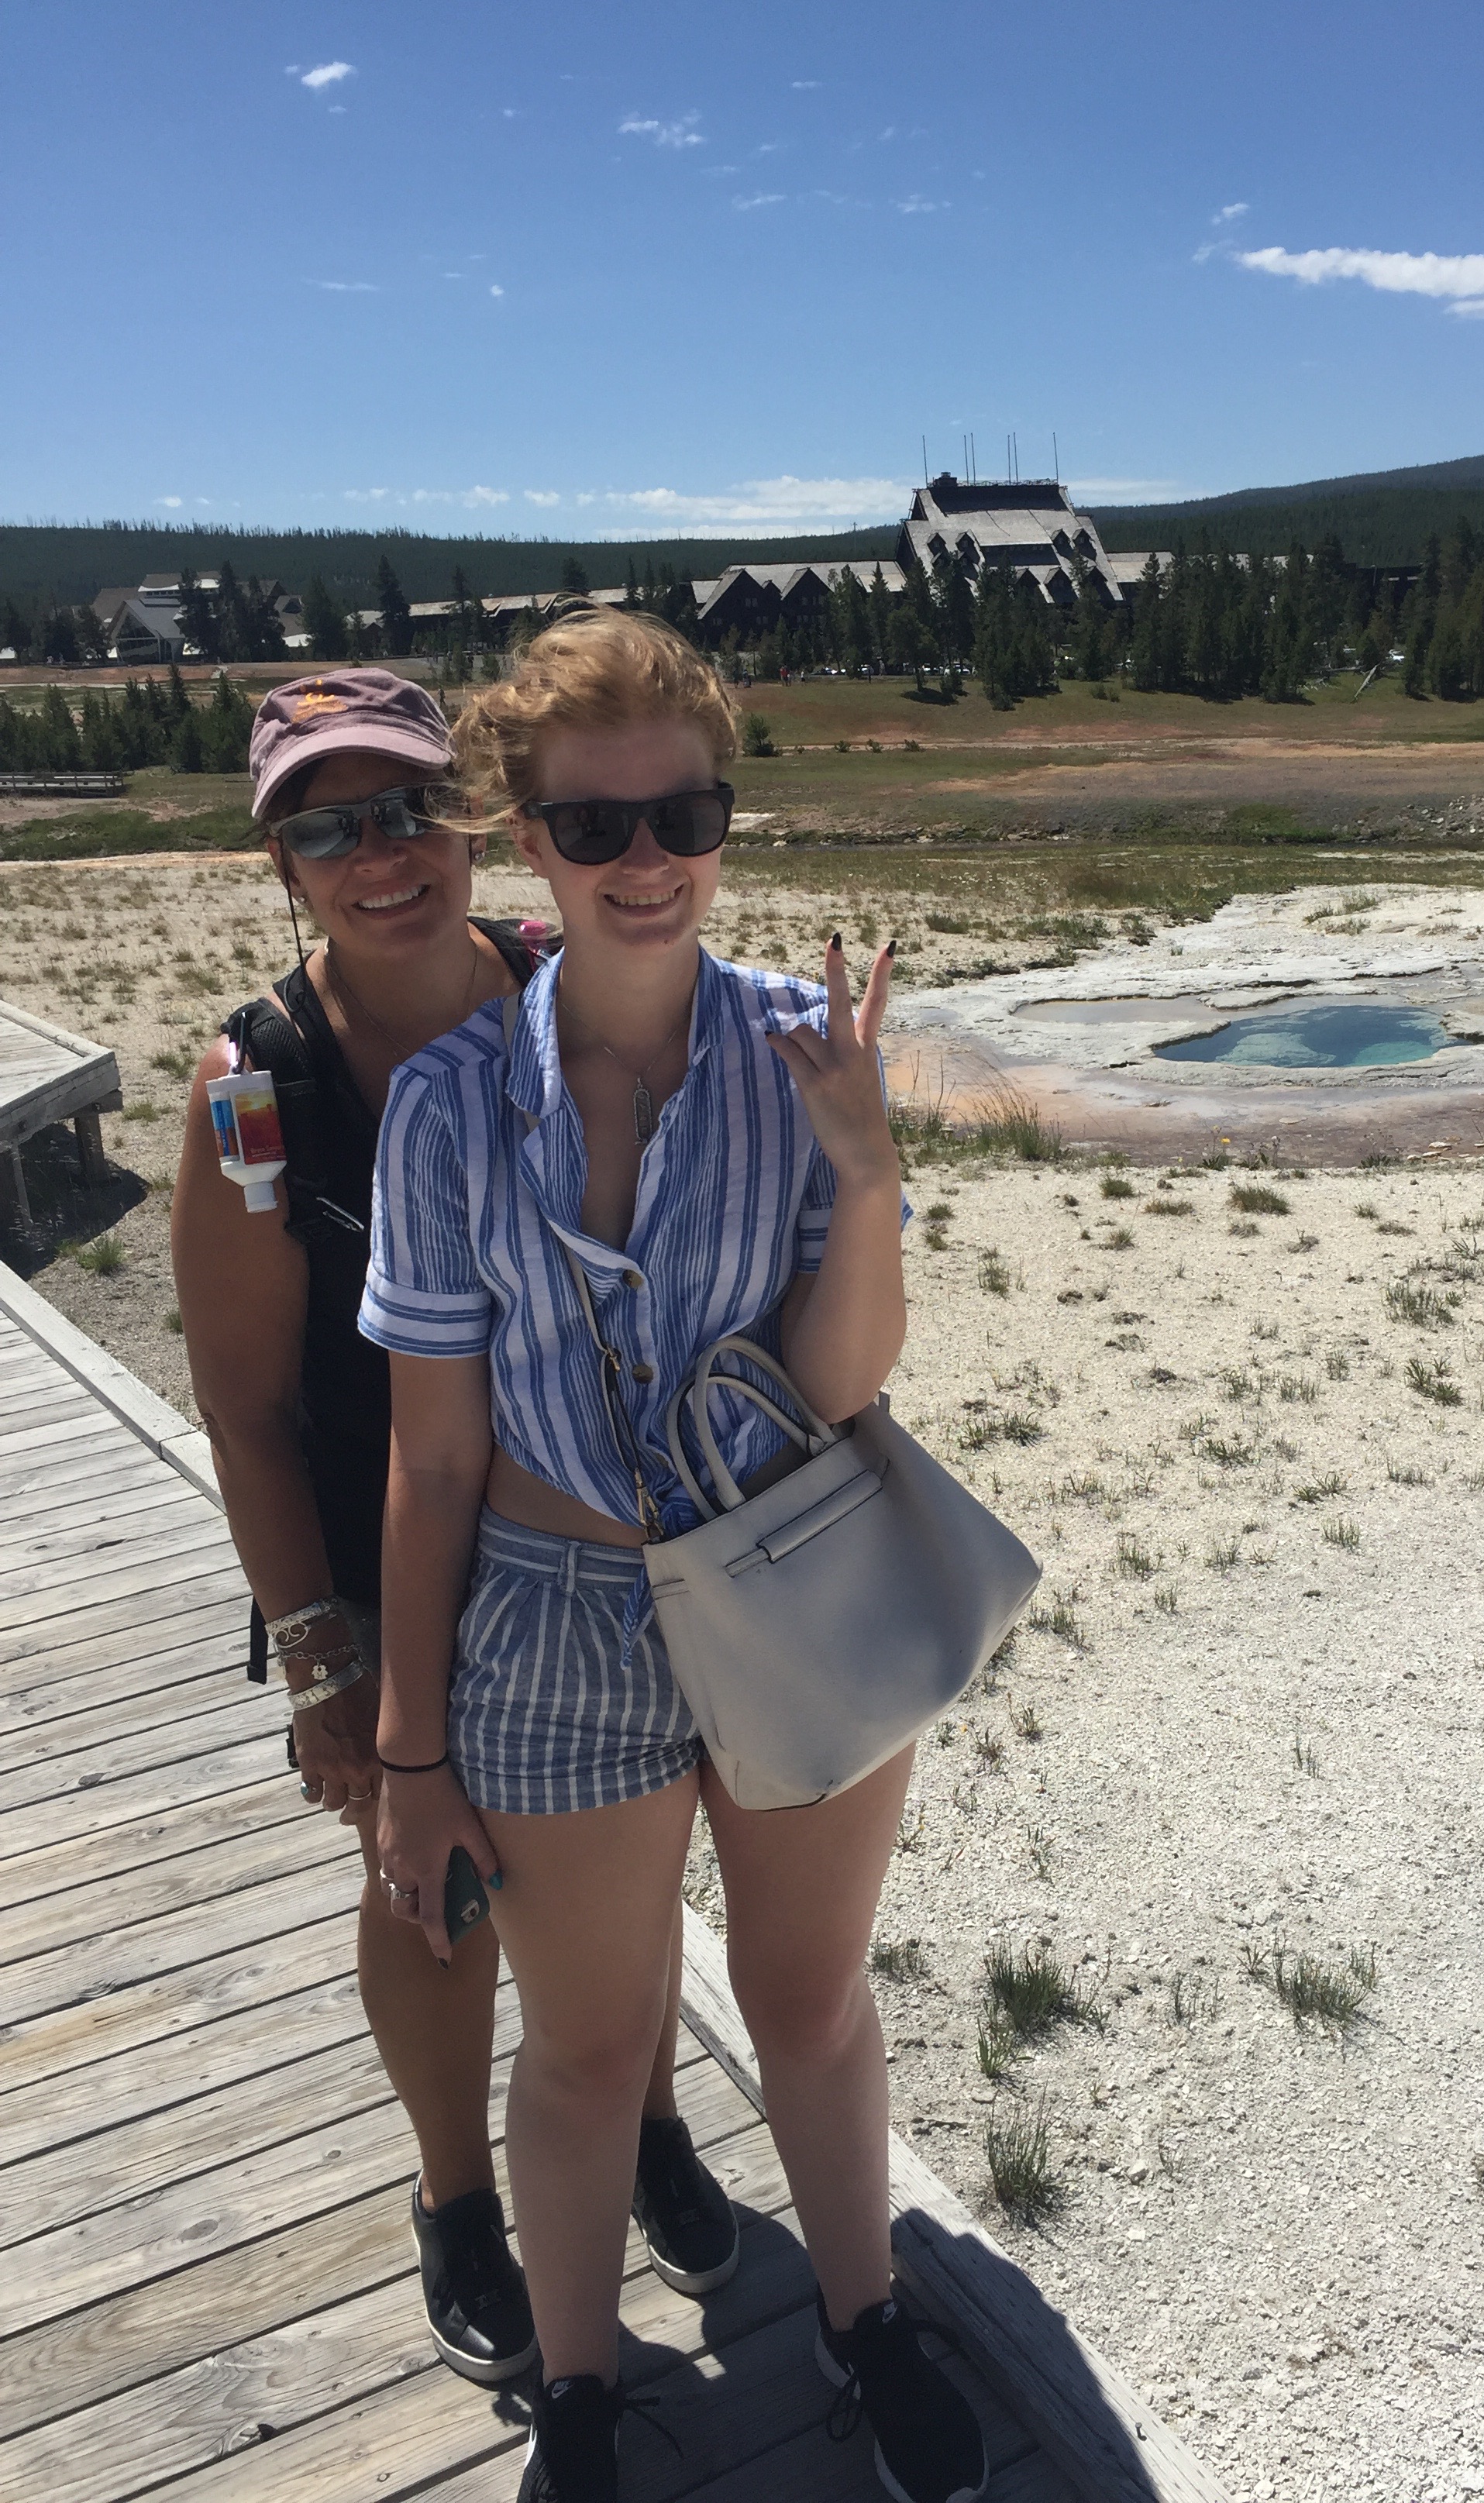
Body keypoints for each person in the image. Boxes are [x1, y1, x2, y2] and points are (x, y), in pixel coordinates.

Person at [364, 615, 987, 2503]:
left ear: (724, 818)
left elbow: (839, 1384)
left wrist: (866, 1172)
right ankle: (579, 2392)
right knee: (587, 2045)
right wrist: (407, 1750)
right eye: (594, 826)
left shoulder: (802, 1052)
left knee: (810, 2002)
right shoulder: (449, 1102)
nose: (646, 862)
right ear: (528, 838)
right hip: (554, 1621)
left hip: (789, 1577)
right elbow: (435, 1455)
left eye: (684, 817)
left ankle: (868, 2323)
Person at [170, 667, 738, 2392]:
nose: (382, 854)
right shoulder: (255, 1090)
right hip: (381, 1545)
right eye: (328, 829)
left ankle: (645, 2119)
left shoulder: (572, 984)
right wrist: (319, 1662)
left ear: (473, 818)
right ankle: (454, 2197)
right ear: (280, 865)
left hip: (586, 1532)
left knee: (619, 1877)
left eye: (410, 807)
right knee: (430, 1888)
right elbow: (246, 1406)